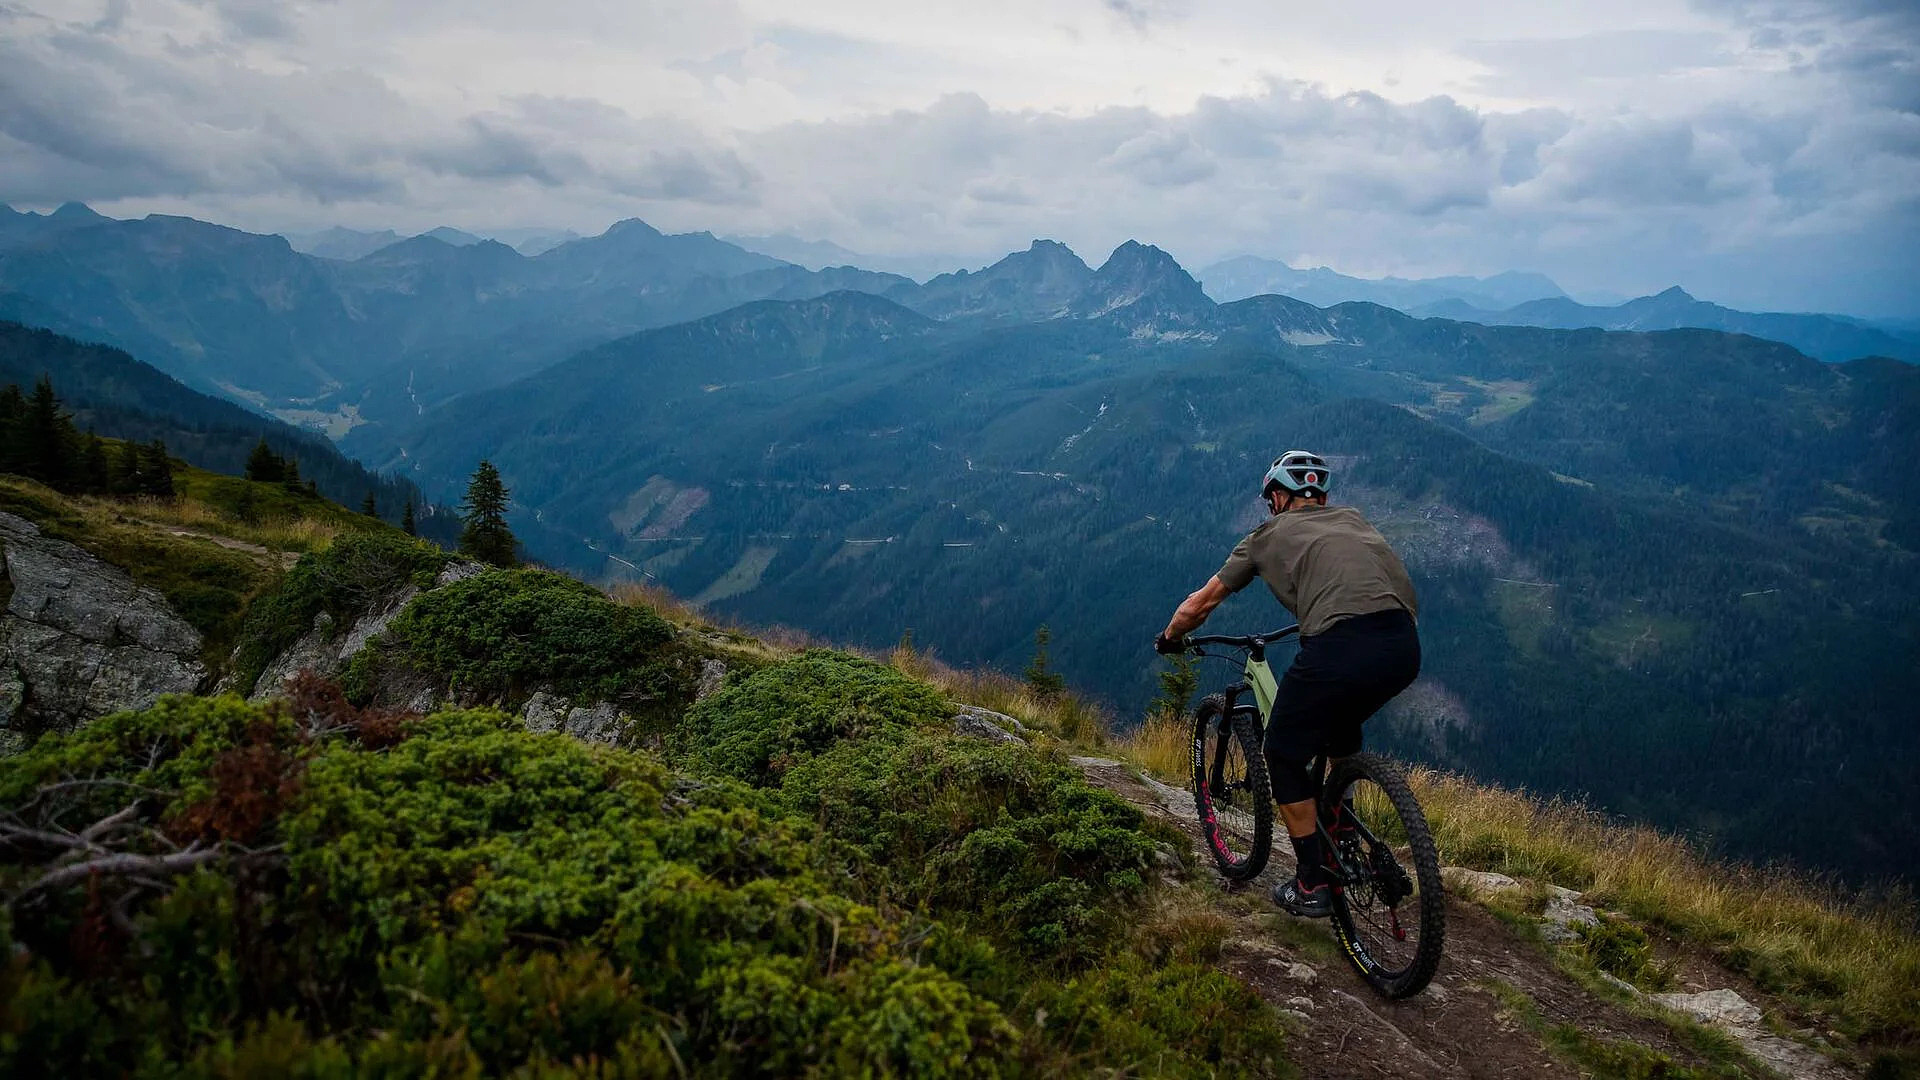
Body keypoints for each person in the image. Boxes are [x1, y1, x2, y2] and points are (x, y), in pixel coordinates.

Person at [1154, 450, 1421, 917]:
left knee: (1281, 751)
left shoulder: (1264, 537)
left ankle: (1312, 882)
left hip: (1339, 647)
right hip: (1402, 645)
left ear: (1278, 496)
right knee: (1340, 725)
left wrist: (1171, 638)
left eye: (1270, 499)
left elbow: (1200, 604)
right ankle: (1340, 825)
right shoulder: (1353, 519)